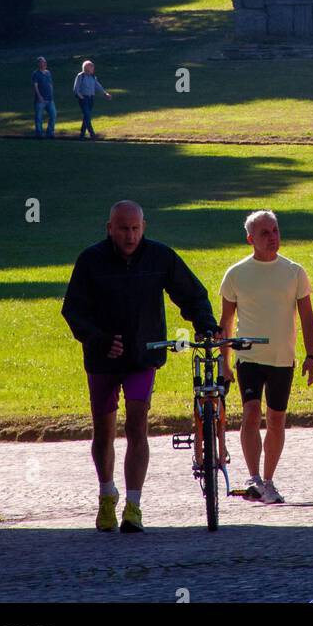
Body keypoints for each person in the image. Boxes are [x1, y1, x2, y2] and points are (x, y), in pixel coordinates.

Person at [61, 199, 218, 534]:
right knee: (103, 430)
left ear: (144, 227)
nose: (130, 236)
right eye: (123, 229)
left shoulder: (160, 257)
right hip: (102, 359)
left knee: (137, 424)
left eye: (135, 228)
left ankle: (134, 505)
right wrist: (99, 339)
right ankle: (107, 494)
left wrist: (205, 323)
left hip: (143, 357)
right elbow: (73, 310)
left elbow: (192, 294)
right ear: (110, 229)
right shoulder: (91, 260)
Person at [219, 210, 313, 505]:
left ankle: (269, 481)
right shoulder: (236, 273)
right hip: (248, 356)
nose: (272, 237)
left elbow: (308, 318)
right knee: (251, 413)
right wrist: (224, 362)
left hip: (282, 358)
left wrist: (311, 357)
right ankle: (253, 478)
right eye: (264, 233)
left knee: (276, 420)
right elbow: (225, 322)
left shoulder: (294, 271)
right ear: (250, 238)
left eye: (275, 231)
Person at [73, 59, 113, 140]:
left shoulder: (93, 77)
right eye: (92, 67)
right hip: (84, 99)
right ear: (87, 68)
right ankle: (92, 134)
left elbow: (98, 86)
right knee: (87, 115)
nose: (93, 69)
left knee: (86, 117)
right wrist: (81, 97)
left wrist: (105, 94)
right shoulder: (80, 76)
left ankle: (82, 135)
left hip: (91, 99)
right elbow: (75, 89)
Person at [32, 56, 56, 139]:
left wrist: (52, 95)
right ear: (39, 64)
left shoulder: (48, 73)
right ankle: (39, 133)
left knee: (53, 115)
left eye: (45, 62)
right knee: (39, 117)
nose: (44, 64)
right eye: (42, 62)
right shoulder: (36, 74)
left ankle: (50, 132)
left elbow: (50, 84)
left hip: (49, 99)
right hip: (40, 100)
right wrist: (39, 96)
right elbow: (35, 86)